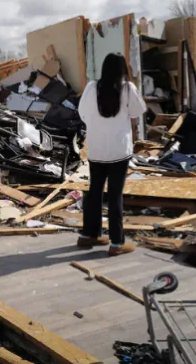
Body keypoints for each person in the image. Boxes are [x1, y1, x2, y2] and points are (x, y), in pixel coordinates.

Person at [77, 53, 146, 256]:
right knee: (115, 195)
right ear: (123, 68)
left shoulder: (91, 87)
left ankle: (89, 234)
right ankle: (117, 243)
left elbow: (82, 114)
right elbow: (137, 111)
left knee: (95, 191)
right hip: (118, 151)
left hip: (97, 150)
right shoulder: (127, 88)